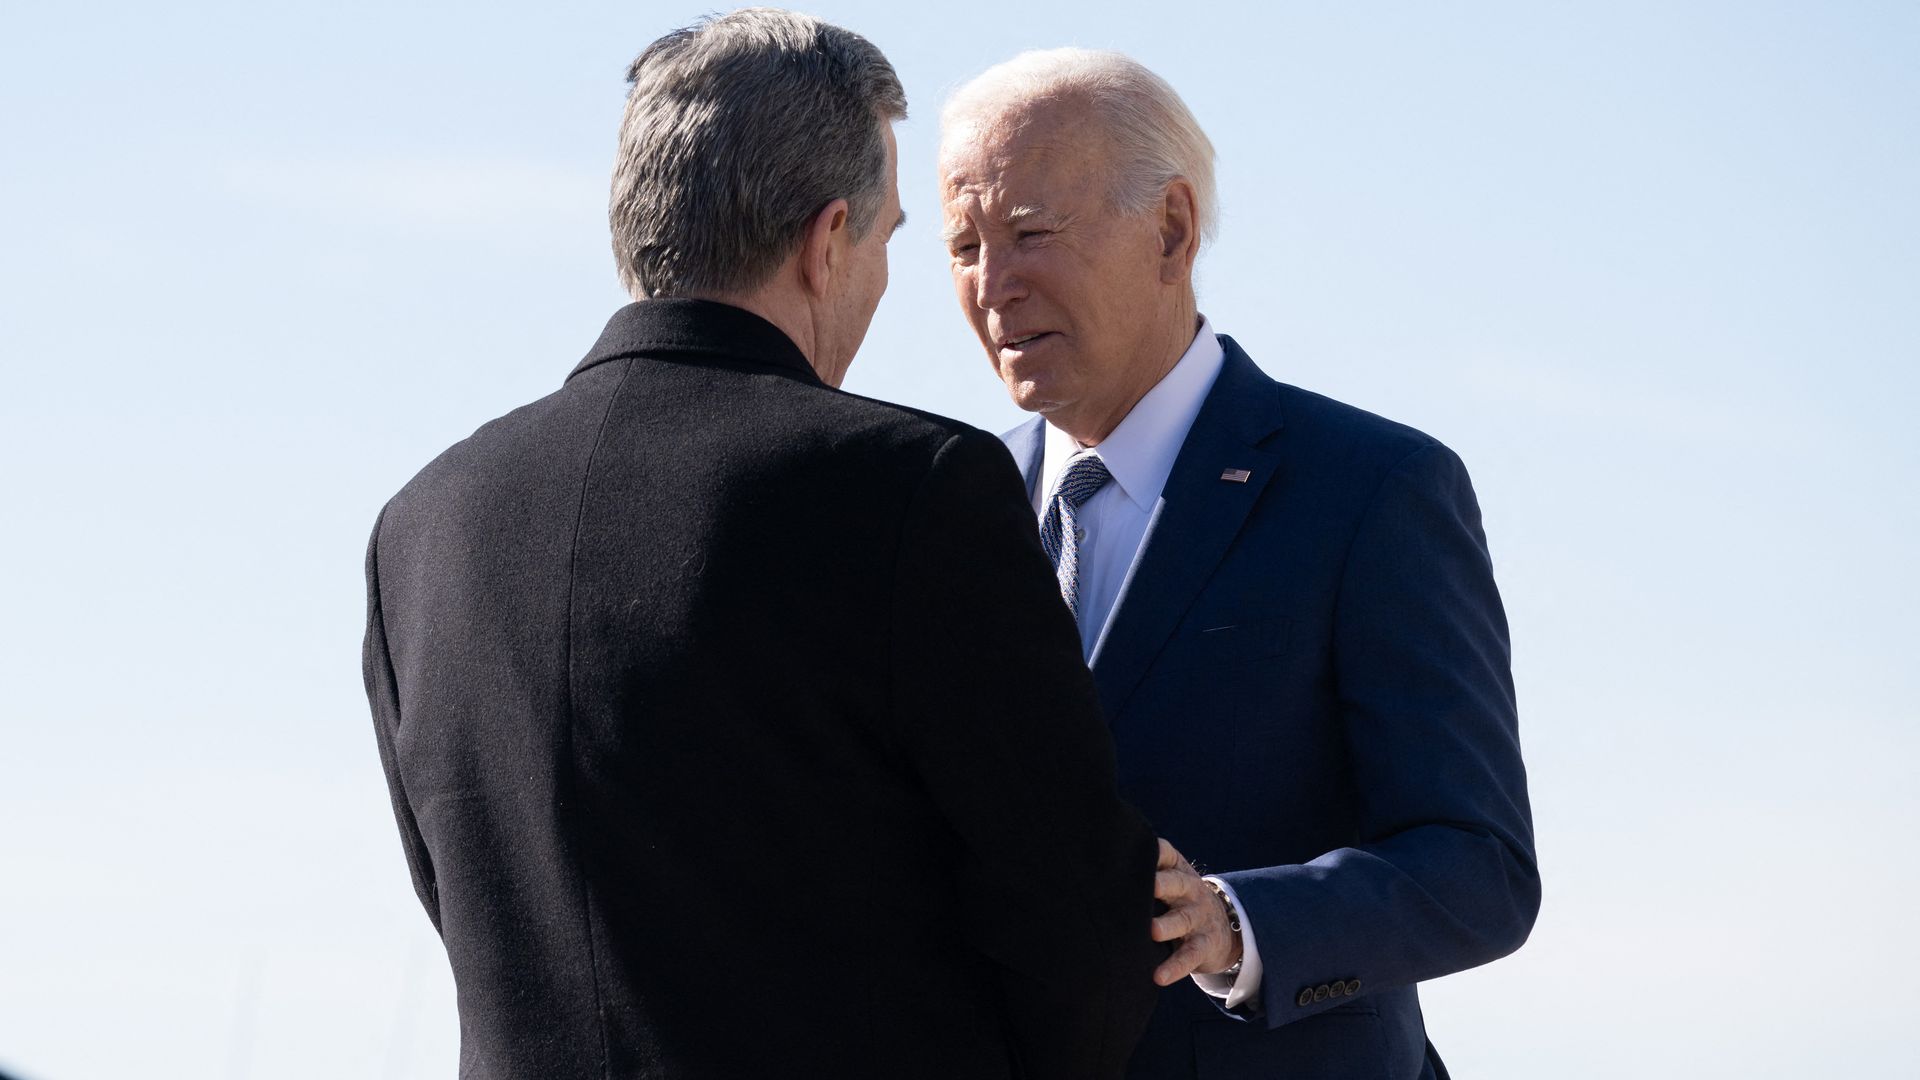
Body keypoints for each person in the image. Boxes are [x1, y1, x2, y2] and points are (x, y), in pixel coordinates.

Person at [362, 14, 1163, 1078]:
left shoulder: (421, 526)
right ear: (826, 243)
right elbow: (1072, 918)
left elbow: (463, 904)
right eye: (885, 244)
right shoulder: (915, 488)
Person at [938, 49, 1541, 1079]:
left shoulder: (1371, 489)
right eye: (962, 245)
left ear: (1171, 230)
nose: (994, 286)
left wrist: (1234, 924)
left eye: (1031, 234)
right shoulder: (945, 511)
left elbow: (1479, 868)